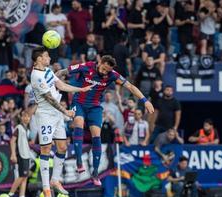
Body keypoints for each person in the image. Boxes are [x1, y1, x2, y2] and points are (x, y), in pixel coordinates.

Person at [55, 55, 154, 186]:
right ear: (100, 62)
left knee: (97, 136)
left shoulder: (112, 75)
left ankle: (95, 173)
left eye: (107, 70)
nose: (104, 72)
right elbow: (63, 72)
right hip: (78, 102)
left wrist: (145, 100)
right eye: (103, 68)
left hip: (95, 106)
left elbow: (130, 86)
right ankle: (79, 160)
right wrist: (51, 78)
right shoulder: (86, 67)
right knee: (78, 123)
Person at [30, 46, 92, 197]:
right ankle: (46, 187)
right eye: (46, 56)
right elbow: (50, 98)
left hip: (56, 115)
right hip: (45, 115)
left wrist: (81, 89)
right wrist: (66, 111)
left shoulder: (48, 71)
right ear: (39, 59)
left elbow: (61, 86)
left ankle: (55, 180)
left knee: (62, 147)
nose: (49, 58)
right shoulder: (36, 76)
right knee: (45, 148)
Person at [8, 110, 33, 197]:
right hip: (21, 154)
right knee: (22, 176)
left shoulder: (27, 129)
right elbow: (12, 141)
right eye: (24, 116)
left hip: (26, 154)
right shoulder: (19, 127)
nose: (26, 118)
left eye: (28, 116)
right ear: (21, 118)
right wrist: (13, 154)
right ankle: (10, 194)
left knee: (25, 176)